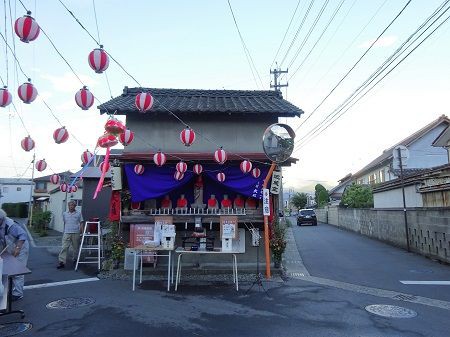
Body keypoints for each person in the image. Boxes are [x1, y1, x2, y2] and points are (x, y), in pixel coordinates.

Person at [0, 209, 29, 301]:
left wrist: (17, 248)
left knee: (18, 270)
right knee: (7, 269)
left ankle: (18, 293)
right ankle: (8, 289)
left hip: (21, 247)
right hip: (9, 246)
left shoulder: (11, 225)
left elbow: (23, 235)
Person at [57, 200, 83, 269]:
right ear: (68, 206)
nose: (71, 206)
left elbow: (81, 223)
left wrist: (81, 232)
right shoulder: (65, 213)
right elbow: (65, 222)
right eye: (70, 205)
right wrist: (64, 231)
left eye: (72, 205)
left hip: (76, 232)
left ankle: (75, 259)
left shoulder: (79, 214)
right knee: (64, 247)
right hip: (67, 232)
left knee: (75, 248)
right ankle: (61, 262)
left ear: (75, 206)